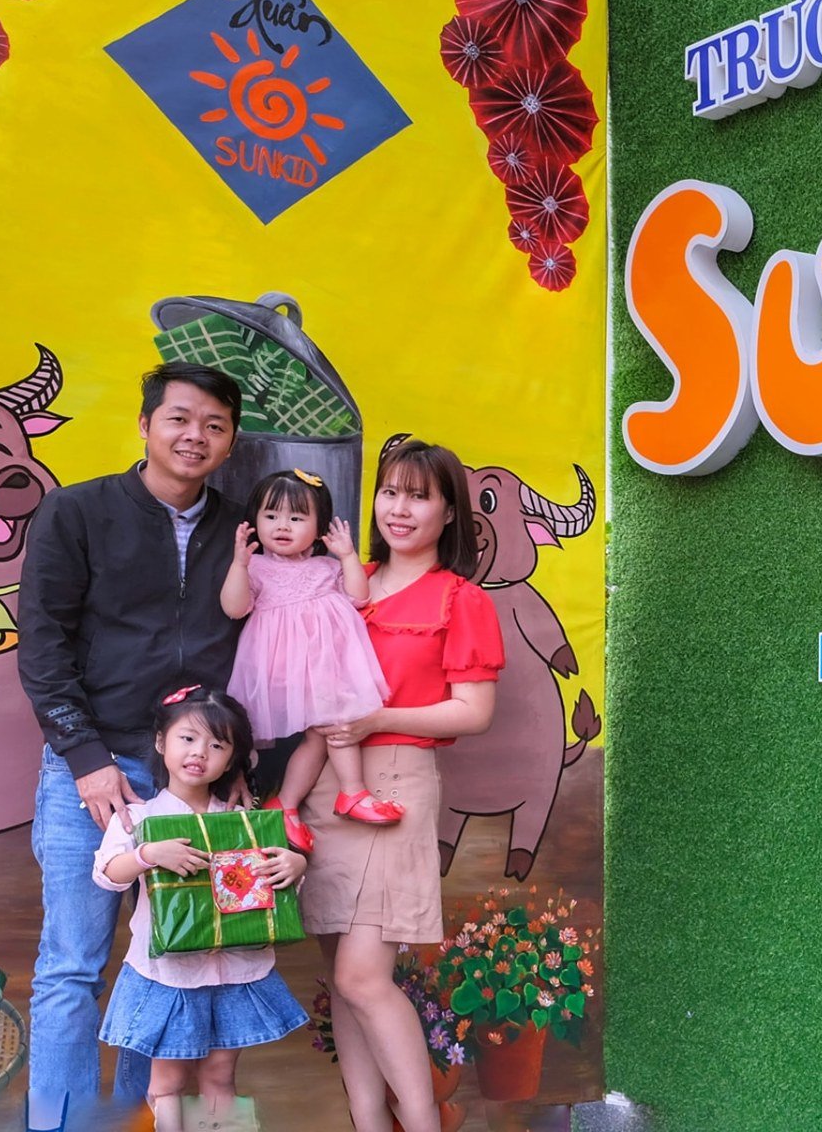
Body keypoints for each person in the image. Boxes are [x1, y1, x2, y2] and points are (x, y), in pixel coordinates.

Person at [17, 362, 247, 1132]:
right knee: (72, 967)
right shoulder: (76, 513)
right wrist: (84, 759)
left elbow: (269, 646)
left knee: (177, 963)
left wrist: (239, 769)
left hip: (193, 778)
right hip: (93, 767)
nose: (195, 436)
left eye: (214, 425)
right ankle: (62, 1124)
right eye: (179, 418)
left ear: (230, 442)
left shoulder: (242, 529)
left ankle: (145, 1121)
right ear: (146, 425)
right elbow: (42, 646)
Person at [299, 438, 504, 1132]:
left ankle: (422, 1123)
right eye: (390, 492)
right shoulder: (343, 581)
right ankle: (369, 1123)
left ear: (448, 513)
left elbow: (473, 711)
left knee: (362, 975)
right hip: (325, 780)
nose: (400, 508)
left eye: (419, 496)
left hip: (394, 781)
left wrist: (377, 718)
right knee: (342, 977)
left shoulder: (460, 598)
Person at [93, 686, 309, 1132]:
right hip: (169, 977)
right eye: (187, 738)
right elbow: (108, 874)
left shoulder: (242, 821)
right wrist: (148, 854)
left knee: (220, 1077)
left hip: (234, 972)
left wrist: (296, 864)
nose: (199, 753)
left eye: (216, 745)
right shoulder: (140, 818)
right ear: (161, 742)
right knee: (167, 1083)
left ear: (231, 761)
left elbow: (275, 882)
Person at [221, 468, 394, 851]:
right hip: (283, 674)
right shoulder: (256, 567)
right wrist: (239, 564)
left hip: (325, 672)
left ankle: (288, 805)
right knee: (333, 727)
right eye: (271, 516)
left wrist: (347, 556)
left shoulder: (327, 567)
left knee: (324, 733)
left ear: (319, 529)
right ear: (255, 521)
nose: (282, 526)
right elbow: (234, 608)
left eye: (297, 518)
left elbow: (359, 597)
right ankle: (350, 792)